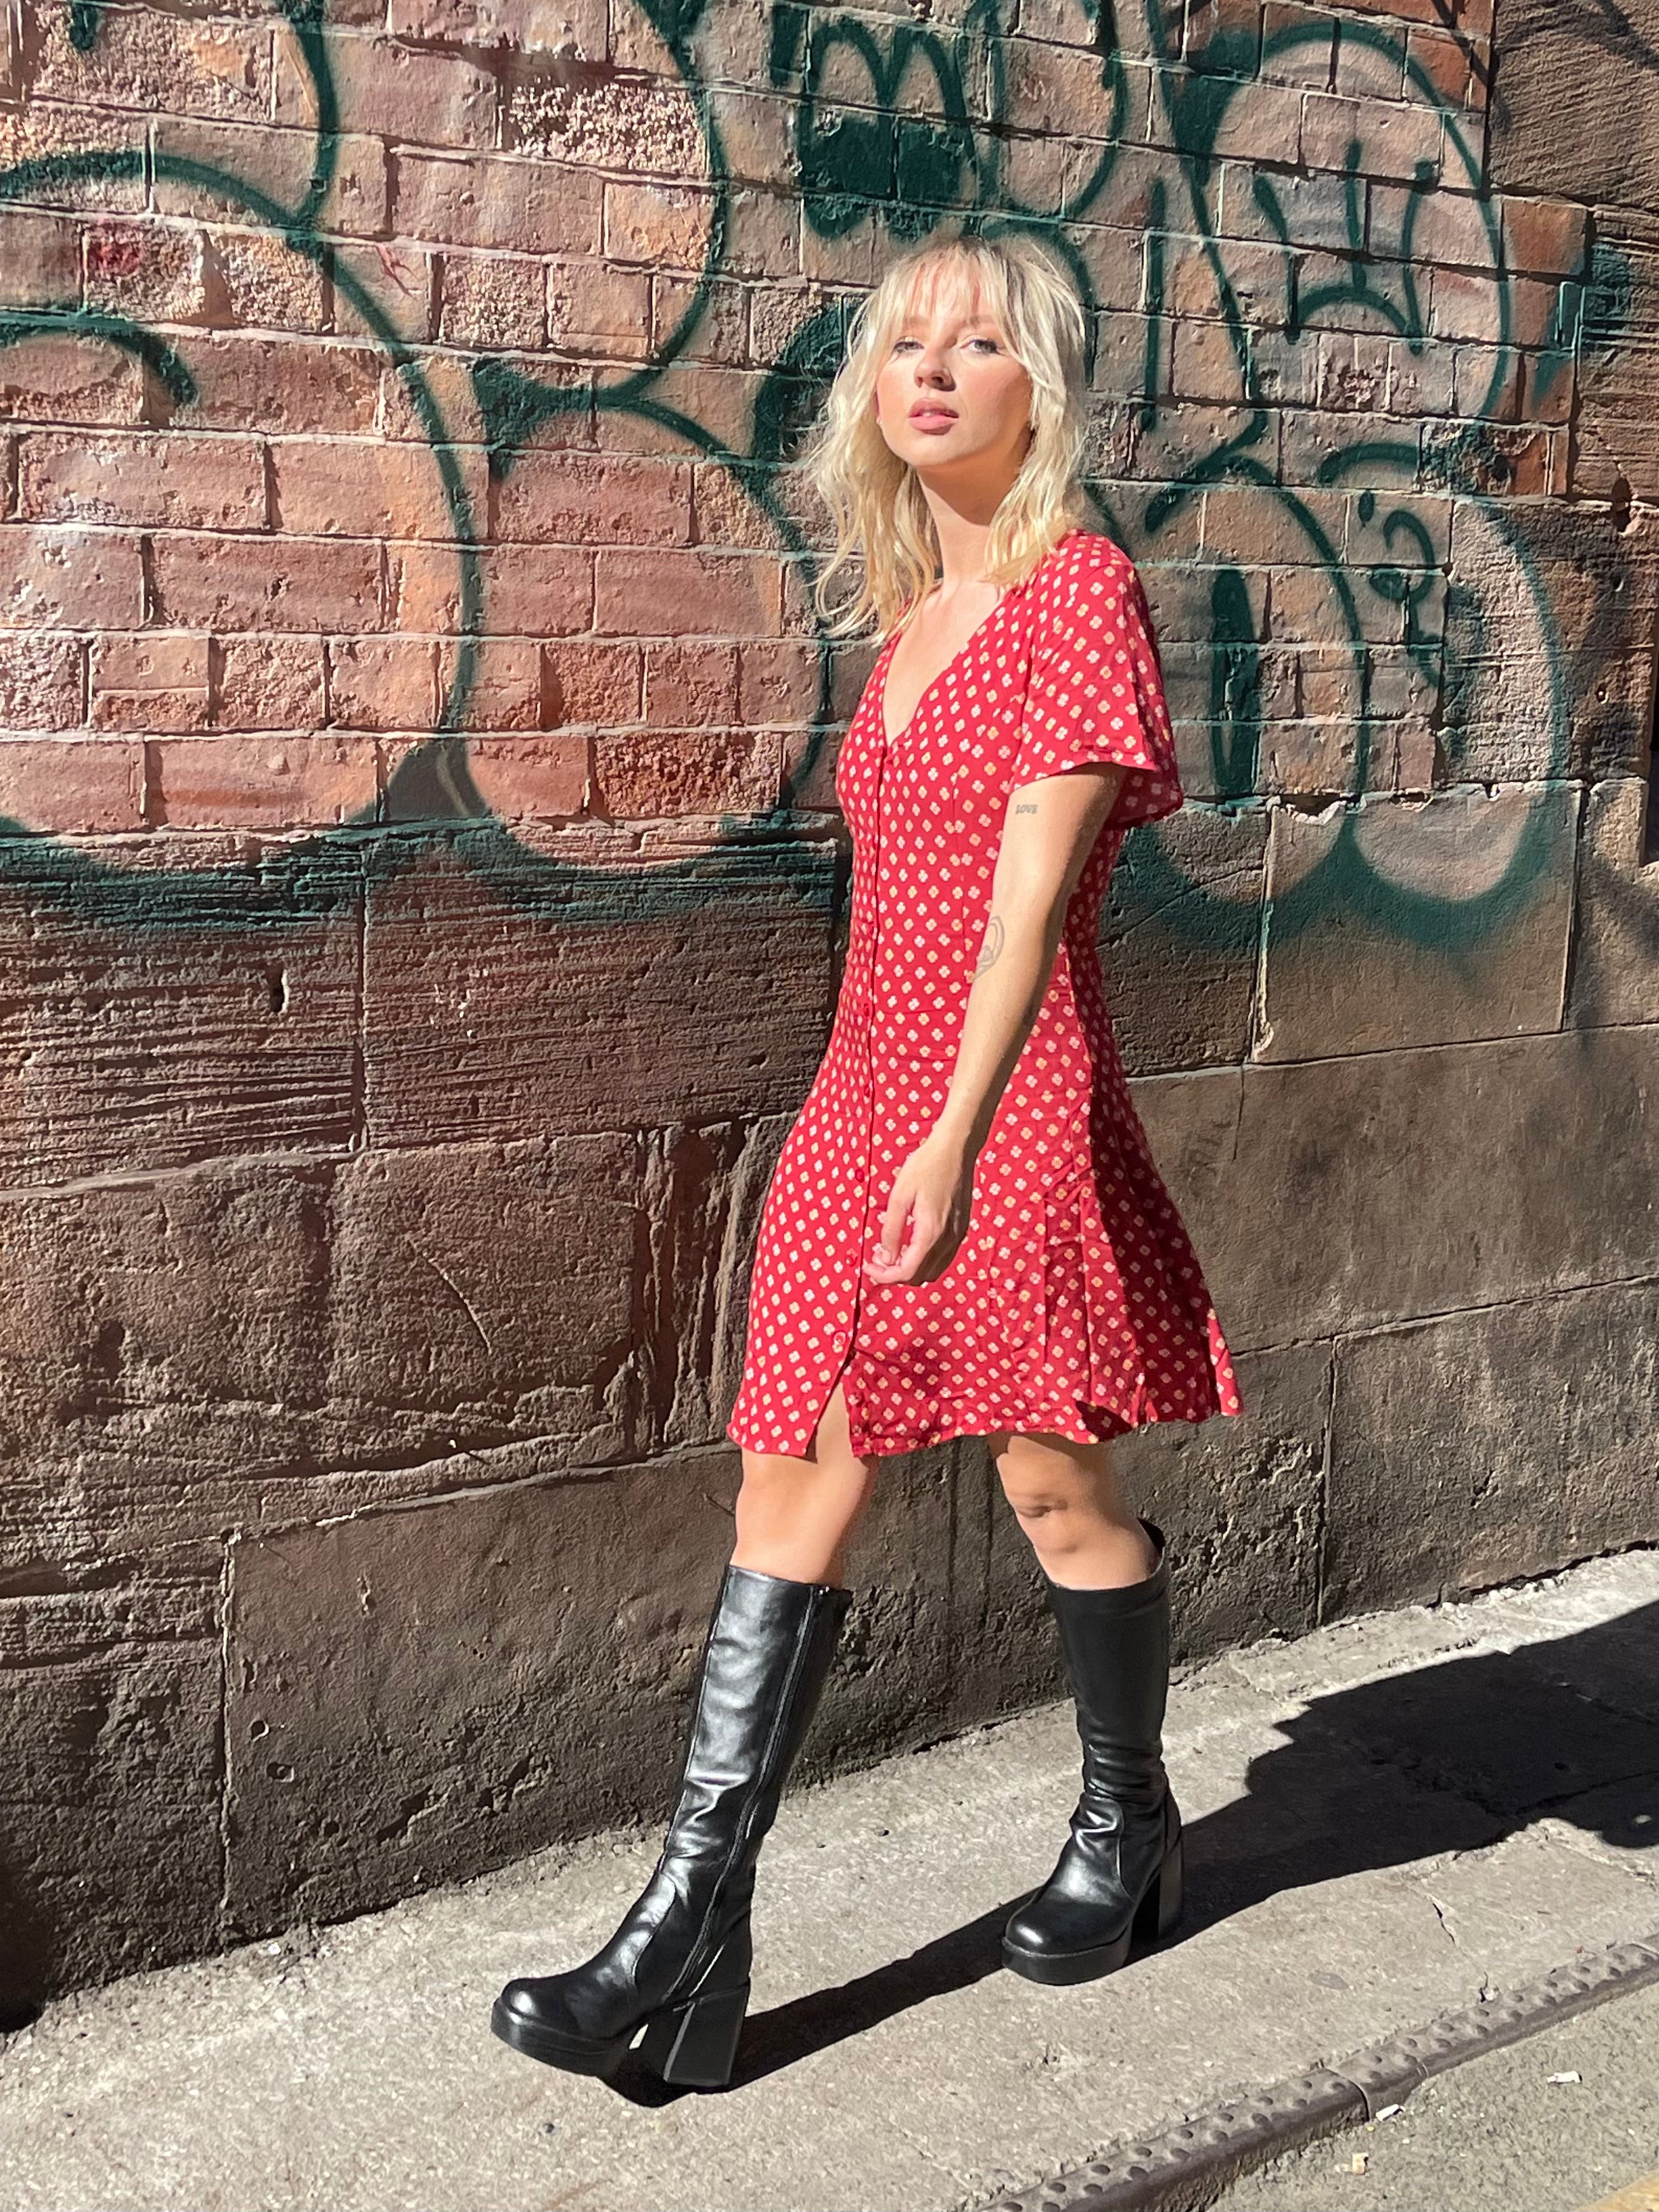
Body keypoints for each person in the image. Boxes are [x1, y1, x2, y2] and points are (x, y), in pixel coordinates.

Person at [492, 226, 1244, 2089]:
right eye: (906, 343)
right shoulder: (908, 621)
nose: (932, 371)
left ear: (1036, 388)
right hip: (861, 1102)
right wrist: (867, 1124)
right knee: (784, 1492)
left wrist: (962, 1137)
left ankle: (1124, 1828)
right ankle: (691, 1931)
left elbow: (1026, 915)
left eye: (977, 346)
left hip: (1003, 1108)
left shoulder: (1080, 598)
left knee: (1053, 1495)